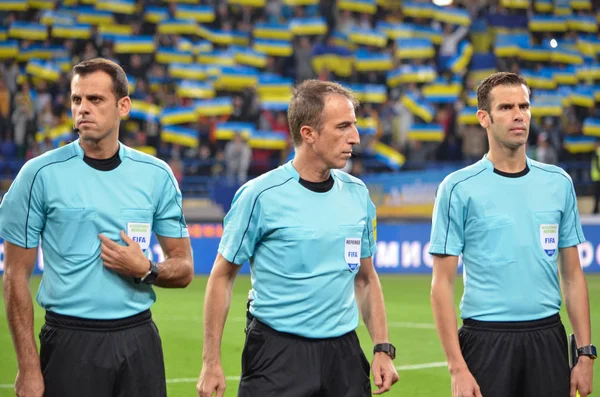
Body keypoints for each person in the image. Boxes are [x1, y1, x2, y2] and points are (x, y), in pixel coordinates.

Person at [0, 58, 194, 397]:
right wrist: (28, 367)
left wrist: (146, 269)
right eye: (77, 100)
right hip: (69, 341)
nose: (83, 109)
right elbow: (15, 275)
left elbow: (184, 266)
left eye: (95, 99)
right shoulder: (38, 175)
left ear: (123, 106)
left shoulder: (156, 175)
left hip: (138, 339)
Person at [197, 80, 399, 397]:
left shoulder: (359, 195)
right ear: (308, 134)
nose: (355, 138)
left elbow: (365, 278)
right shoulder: (259, 195)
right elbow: (222, 276)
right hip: (277, 355)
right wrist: (211, 362)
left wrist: (382, 348)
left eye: (354, 126)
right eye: (343, 126)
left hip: (344, 357)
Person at [429, 72, 595, 397]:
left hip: (548, 338)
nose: (519, 114)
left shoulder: (558, 182)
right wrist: (457, 368)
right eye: (506, 107)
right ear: (484, 118)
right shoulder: (458, 188)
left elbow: (573, 275)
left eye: (524, 105)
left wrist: (585, 354)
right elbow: (442, 284)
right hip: (485, 341)